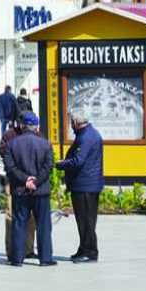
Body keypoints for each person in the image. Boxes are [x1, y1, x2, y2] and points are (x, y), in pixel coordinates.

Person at [2, 112, 56, 267]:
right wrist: (36, 181)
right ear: (36, 126)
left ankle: (17, 258)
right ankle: (45, 258)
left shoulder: (12, 144)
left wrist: (25, 180)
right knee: (43, 224)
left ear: (23, 125)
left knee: (19, 223)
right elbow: (48, 166)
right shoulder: (45, 143)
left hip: (20, 190)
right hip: (41, 190)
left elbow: (10, 168)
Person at [55, 112, 103, 264]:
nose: (71, 126)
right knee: (83, 220)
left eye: (72, 123)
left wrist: (61, 164)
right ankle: (83, 248)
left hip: (85, 186)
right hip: (84, 184)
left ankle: (90, 252)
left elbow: (78, 161)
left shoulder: (87, 137)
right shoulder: (86, 134)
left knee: (87, 220)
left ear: (76, 122)